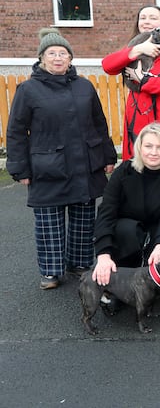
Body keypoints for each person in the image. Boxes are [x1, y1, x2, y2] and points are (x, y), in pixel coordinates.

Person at [7, 29, 117, 290]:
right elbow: (16, 131)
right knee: (49, 223)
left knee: (83, 218)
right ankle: (51, 272)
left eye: (63, 53)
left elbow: (99, 124)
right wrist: (19, 168)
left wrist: (107, 156)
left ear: (70, 58)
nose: (58, 58)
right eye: (52, 53)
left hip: (85, 164)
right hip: (47, 166)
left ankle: (79, 263)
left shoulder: (85, 86)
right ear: (42, 58)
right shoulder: (28, 90)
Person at [91, 123, 160, 289]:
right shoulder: (123, 172)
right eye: (148, 146)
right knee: (126, 231)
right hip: (127, 231)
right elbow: (106, 213)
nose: (154, 152)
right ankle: (121, 273)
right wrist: (103, 254)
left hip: (159, 230)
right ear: (139, 147)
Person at [101, 5, 160, 165]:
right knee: (137, 165)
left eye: (153, 18)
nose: (147, 21)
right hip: (138, 114)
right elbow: (108, 66)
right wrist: (138, 49)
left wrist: (144, 81)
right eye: (143, 18)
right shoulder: (132, 47)